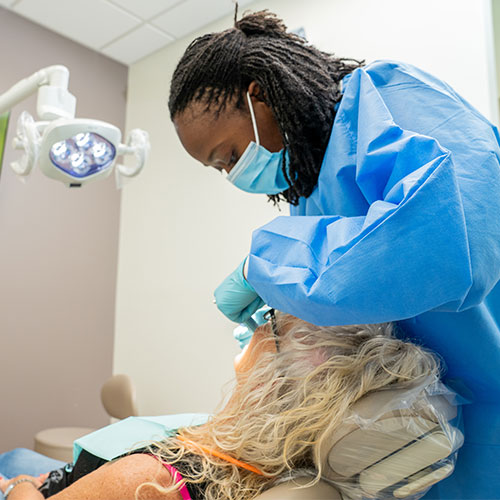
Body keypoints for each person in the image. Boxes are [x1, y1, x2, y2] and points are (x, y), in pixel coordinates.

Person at [169, 8, 500, 499]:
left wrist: (267, 267)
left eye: (231, 157)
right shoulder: (308, 193)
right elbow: (348, 302)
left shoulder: (387, 97)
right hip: (418, 432)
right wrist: (288, 323)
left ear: (259, 96)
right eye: (220, 170)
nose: (233, 176)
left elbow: (450, 241)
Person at [0, 315, 455, 499]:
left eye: (270, 323)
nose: (255, 325)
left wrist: (19, 486)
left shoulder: (148, 481)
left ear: (275, 378)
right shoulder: (270, 467)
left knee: (14, 459)